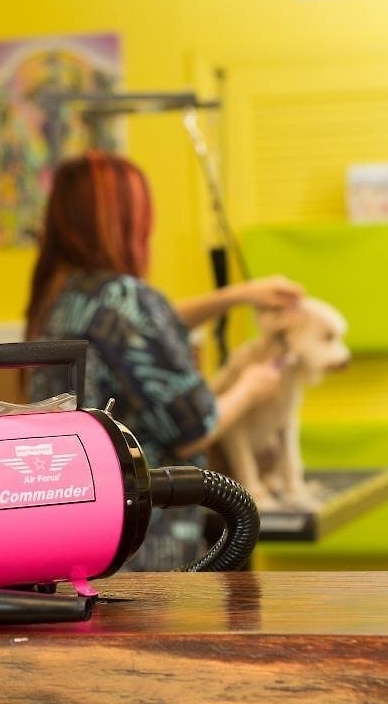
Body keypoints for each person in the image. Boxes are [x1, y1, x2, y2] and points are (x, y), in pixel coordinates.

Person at [25, 150, 304, 570]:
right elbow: (196, 428)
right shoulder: (127, 300)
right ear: (126, 223)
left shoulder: (64, 297)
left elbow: (140, 331)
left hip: (79, 528)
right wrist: (251, 386)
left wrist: (238, 296)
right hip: (142, 539)